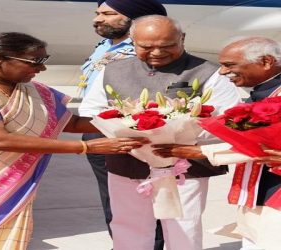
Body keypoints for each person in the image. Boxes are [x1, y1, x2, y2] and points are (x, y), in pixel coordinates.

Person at [0, 32, 149, 250]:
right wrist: (84, 147)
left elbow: (74, 122)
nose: (41, 69)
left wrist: (136, 120)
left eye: (44, 61)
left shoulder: (35, 91)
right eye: (35, 62)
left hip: (12, 190)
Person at [82, 15, 241, 250]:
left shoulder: (209, 72)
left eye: (168, 46)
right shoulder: (113, 70)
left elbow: (228, 118)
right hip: (127, 161)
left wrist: (181, 137)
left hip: (184, 165)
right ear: (132, 41)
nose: (157, 52)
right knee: (127, 225)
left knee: (183, 227)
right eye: (146, 47)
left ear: (182, 39)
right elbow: (91, 109)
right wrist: (128, 130)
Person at [153, 37, 281, 250]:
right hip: (259, 196)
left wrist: (201, 151)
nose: (222, 72)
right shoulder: (266, 90)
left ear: (266, 62)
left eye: (229, 65)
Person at [78, 0, 167, 242]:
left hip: (129, 133)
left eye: (108, 14)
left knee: (143, 198)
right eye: (97, 13)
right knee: (112, 199)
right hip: (97, 129)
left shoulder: (147, 51)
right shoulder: (105, 46)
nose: (98, 19)